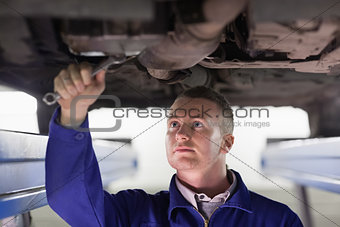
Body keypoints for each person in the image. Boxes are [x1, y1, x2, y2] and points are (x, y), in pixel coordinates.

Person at [45, 63, 303, 226]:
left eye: (198, 124)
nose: (181, 134)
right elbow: (70, 199)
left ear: (226, 143)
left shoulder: (278, 220)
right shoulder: (134, 213)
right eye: (174, 125)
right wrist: (73, 111)